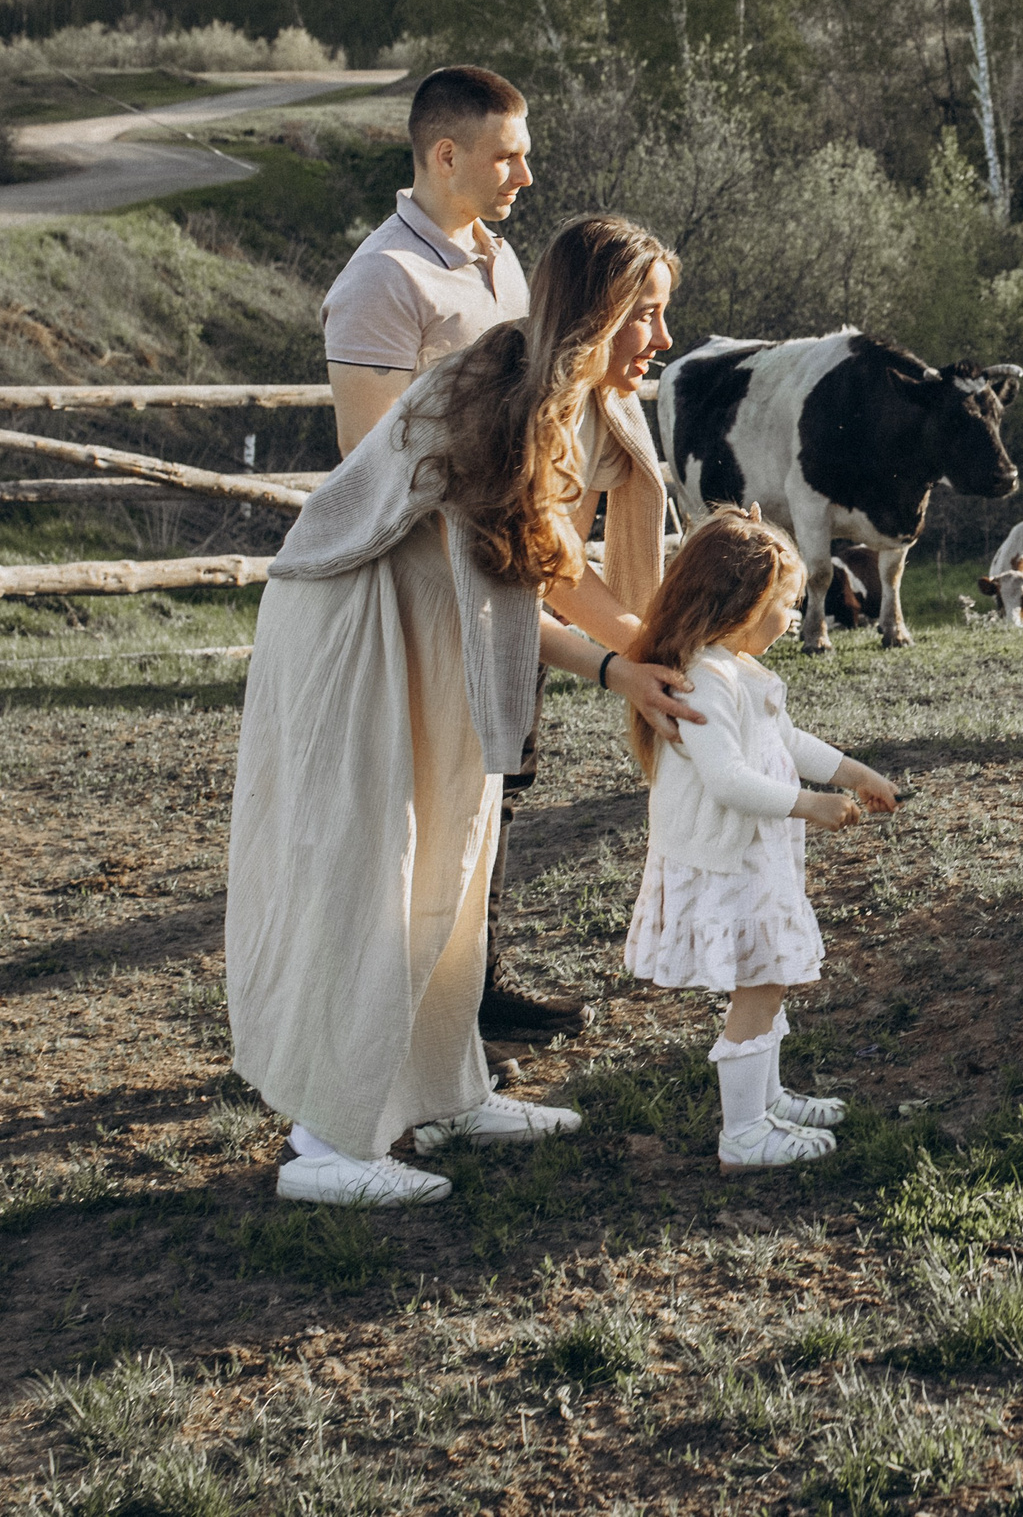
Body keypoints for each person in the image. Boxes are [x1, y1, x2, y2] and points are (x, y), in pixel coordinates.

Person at [229, 214, 702, 1208]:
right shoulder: (495, 398)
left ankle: (444, 1091)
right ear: (596, 313)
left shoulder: (592, 406)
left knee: (459, 851)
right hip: (361, 618)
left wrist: (667, 651)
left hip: (445, 623)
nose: (662, 339)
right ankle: (327, 1138)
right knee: (379, 863)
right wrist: (620, 667)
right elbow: (524, 577)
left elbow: (558, 571)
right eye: (646, 314)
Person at [321, 64, 643, 1060]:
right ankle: (405, 1021)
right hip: (425, 590)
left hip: (505, 571)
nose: (526, 175)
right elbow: (374, 465)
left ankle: (475, 987)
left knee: (496, 785)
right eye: (508, 156)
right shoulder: (381, 281)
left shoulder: (500, 264)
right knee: (429, 804)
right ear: (446, 153)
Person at [618, 510, 902, 1172]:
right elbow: (727, 780)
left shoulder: (737, 669)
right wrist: (811, 805)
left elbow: (785, 740)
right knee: (762, 981)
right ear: (741, 604)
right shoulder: (704, 682)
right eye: (785, 605)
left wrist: (855, 774)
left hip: (757, 859)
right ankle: (744, 1131)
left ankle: (766, 1099)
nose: (792, 617)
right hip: (729, 865)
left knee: (769, 980)